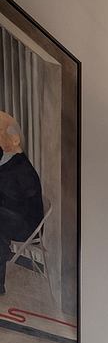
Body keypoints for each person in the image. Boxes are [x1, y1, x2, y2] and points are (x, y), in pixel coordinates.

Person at [0, 111, 44, 295]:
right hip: (10, 214)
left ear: (15, 139)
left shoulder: (20, 167)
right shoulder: (6, 162)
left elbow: (15, 201)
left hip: (27, 223)